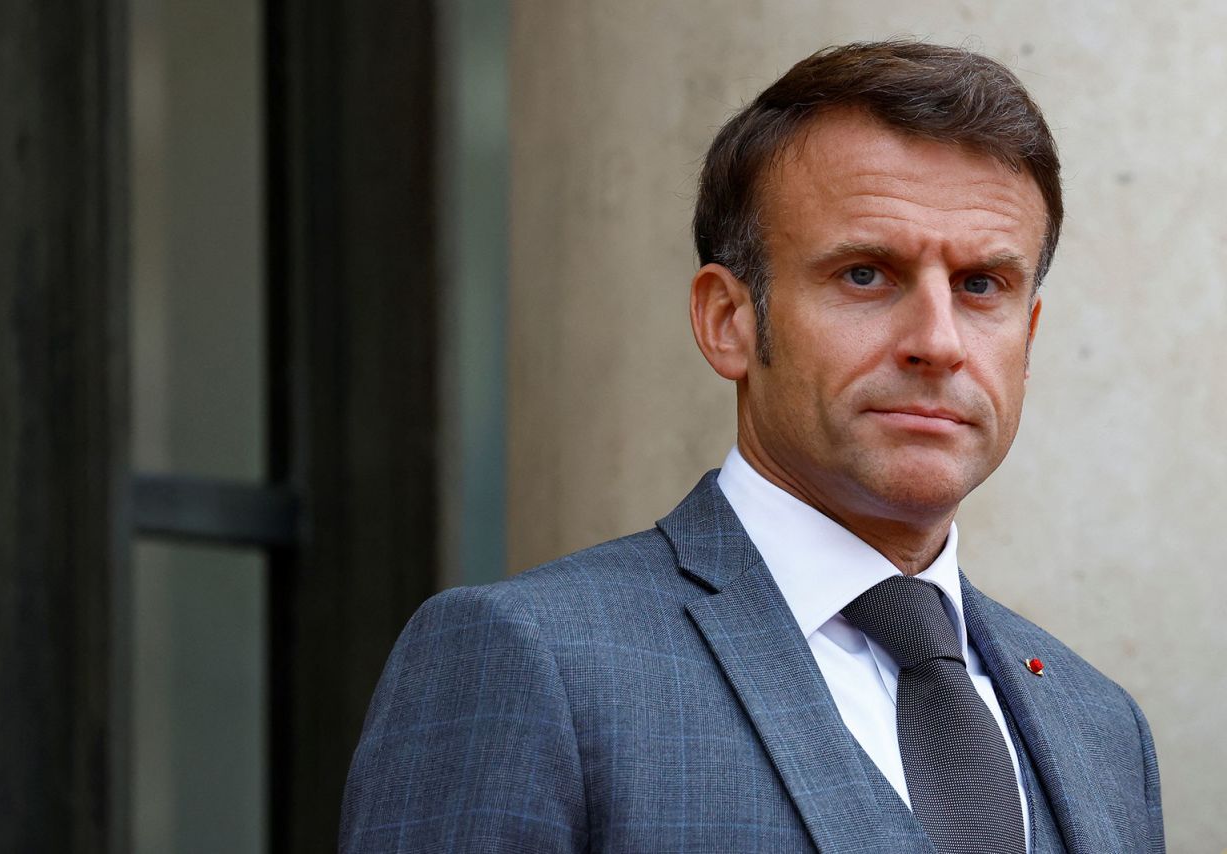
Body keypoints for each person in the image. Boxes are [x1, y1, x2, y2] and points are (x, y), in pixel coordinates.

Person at [339, 41, 1164, 853]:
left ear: (1029, 334)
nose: (938, 342)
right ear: (728, 322)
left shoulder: (1101, 728)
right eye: (867, 275)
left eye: (982, 285)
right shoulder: (530, 661)